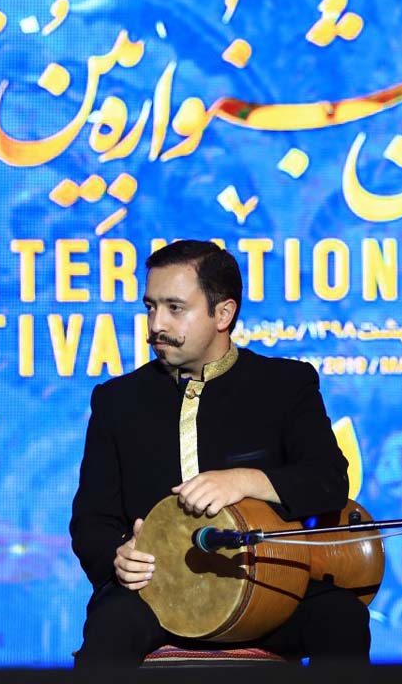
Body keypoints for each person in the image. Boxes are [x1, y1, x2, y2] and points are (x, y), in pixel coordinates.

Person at [70, 240, 370, 668]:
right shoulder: (118, 400)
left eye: (175, 308)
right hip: (155, 594)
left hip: (269, 587)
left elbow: (328, 482)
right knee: (108, 630)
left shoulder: (286, 385)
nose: (156, 324)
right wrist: (118, 557)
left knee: (341, 618)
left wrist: (245, 481)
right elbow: (92, 520)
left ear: (223, 314)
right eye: (151, 307)